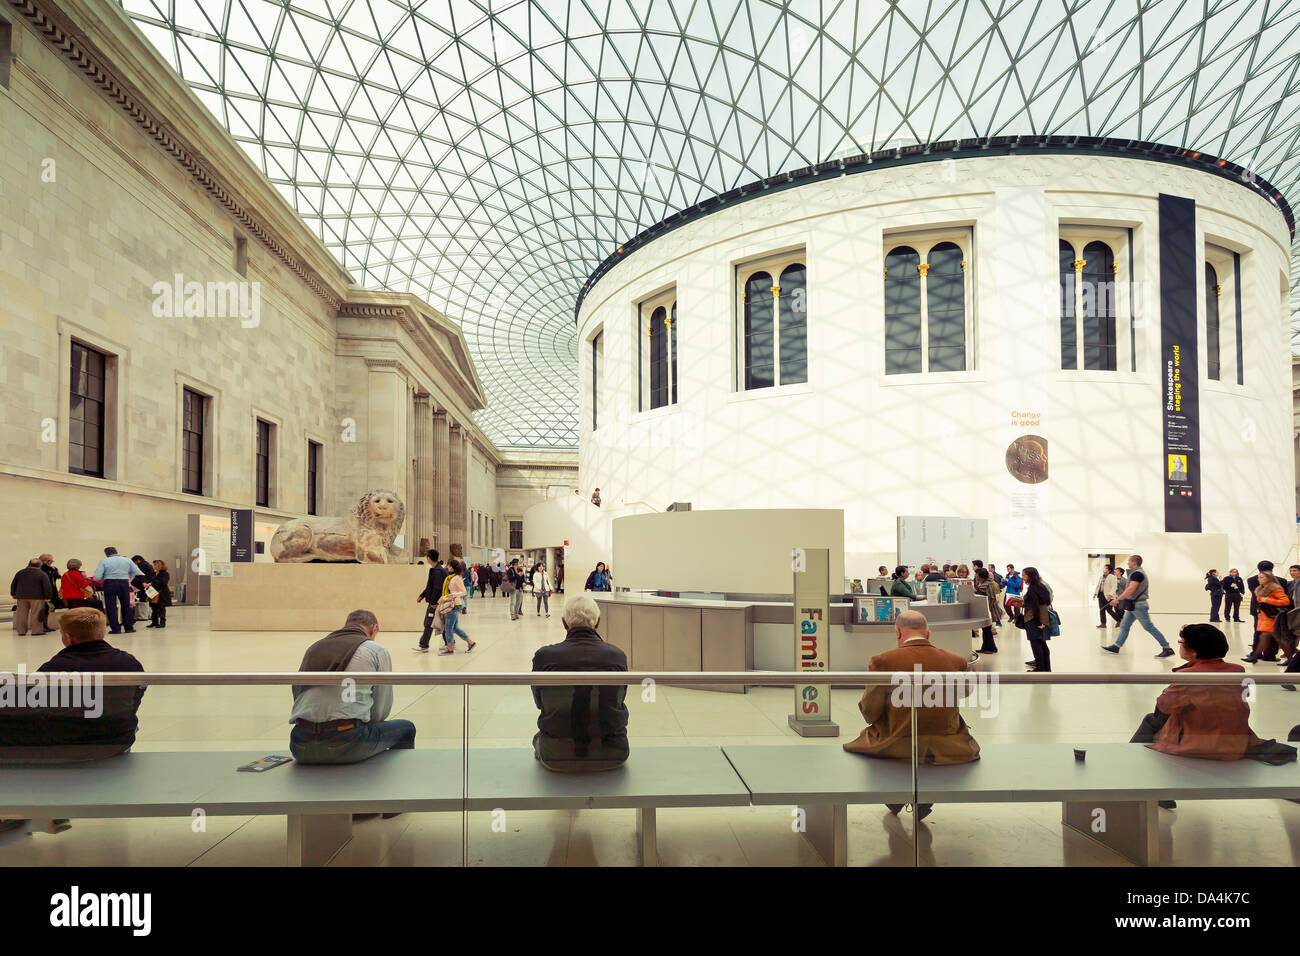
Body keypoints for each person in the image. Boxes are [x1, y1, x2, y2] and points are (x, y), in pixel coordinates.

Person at [843, 610, 979, 820]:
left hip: (897, 741)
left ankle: (896, 793)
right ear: (928, 634)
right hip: (948, 743)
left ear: (897, 632)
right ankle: (923, 797)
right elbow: (965, 693)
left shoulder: (882, 661)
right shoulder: (956, 661)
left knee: (872, 737)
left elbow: (871, 711)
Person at [0, 607, 146, 761]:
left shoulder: (52, 670)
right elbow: (135, 698)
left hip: (68, 741)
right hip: (116, 740)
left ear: (68, 638)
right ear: (101, 633)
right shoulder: (129, 664)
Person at [289, 609, 416, 764]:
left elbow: (297, 691)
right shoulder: (375, 651)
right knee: (407, 729)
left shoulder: (314, 648)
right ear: (373, 629)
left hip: (300, 744)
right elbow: (379, 712)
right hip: (348, 742)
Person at [1131, 624, 1261, 762]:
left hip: (1201, 746)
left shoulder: (1189, 676)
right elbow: (1246, 696)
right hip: (1235, 742)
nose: (1179, 645)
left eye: (1181, 642)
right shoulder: (1238, 670)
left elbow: (1164, 706)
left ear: (1193, 651)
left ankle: (1131, 757)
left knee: (1151, 719)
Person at [530, 594, 629, 772]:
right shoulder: (617, 656)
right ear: (597, 622)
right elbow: (618, 699)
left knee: (537, 739)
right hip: (614, 753)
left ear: (564, 623)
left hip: (556, 755)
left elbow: (540, 702)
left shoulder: (544, 657)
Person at [1102, 555, 1174, 658]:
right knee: (1124, 625)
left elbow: (1131, 589)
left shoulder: (1137, 574)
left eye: (1129, 561)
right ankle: (1116, 646)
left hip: (1139, 606)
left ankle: (1167, 648)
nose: (1127, 563)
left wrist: (1118, 599)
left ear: (1134, 563)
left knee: (1149, 627)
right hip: (1133, 606)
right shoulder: (1136, 573)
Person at [90, 547, 140, 635]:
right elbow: (136, 572)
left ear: (106, 554)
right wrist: (127, 577)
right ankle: (129, 627)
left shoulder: (104, 561)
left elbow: (97, 577)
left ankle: (116, 629)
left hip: (109, 584)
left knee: (111, 606)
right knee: (126, 605)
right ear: (116, 552)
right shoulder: (127, 560)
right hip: (124, 583)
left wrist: (104, 577)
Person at [1244, 571, 1290, 664]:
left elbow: (1285, 601)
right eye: (1259, 577)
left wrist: (1267, 600)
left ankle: (1254, 657)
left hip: (1273, 618)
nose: (1259, 579)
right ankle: (1290, 659)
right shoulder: (1261, 588)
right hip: (1265, 617)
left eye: (1262, 577)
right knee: (1273, 639)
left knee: (1267, 637)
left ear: (1269, 578)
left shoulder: (1275, 588)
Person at [414, 550, 451, 651]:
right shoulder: (437, 569)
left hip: (436, 603)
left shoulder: (437, 571)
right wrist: (422, 596)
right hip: (439, 602)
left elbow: (437, 589)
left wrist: (434, 603)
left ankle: (424, 645)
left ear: (429, 558)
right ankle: (449, 643)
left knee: (429, 622)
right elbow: (431, 587)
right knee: (442, 622)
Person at [436, 558, 475, 654]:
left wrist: (452, 595)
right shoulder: (452, 577)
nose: (447, 567)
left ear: (452, 567)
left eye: (449, 565)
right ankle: (470, 642)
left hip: (454, 604)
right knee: (454, 627)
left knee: (448, 627)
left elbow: (464, 592)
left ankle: (450, 648)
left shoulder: (457, 578)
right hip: (454, 603)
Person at [1020, 566, 1054, 672]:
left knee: (1036, 644)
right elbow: (1048, 601)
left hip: (1033, 619)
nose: (1022, 577)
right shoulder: (1041, 586)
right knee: (1042, 643)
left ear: (1030, 576)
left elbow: (1035, 606)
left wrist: (1038, 622)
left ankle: (1039, 669)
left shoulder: (1032, 588)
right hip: (1043, 618)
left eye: (1024, 575)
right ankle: (1046, 668)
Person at [9, 558, 53, 636]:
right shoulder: (41, 574)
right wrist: (47, 597)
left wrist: (13, 593)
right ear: (40, 565)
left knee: (21, 614)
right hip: (37, 597)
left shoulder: (20, 572)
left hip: (21, 597)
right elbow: (47, 586)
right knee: (36, 614)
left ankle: (21, 631)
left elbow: (13, 583)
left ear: (29, 564)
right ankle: (36, 631)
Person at [973, 567, 1000, 654]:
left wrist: (988, 610)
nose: (975, 576)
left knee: (987, 629)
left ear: (981, 576)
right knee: (985, 629)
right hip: (982, 609)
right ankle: (985, 648)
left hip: (988, 610)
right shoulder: (979, 583)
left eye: (976, 574)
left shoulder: (989, 584)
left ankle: (991, 648)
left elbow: (991, 598)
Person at [35, 553, 63, 631]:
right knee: (43, 609)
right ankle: (42, 626)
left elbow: (58, 576)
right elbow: (46, 576)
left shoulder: (52, 568)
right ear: (43, 561)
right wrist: (54, 572)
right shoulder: (40, 568)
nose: (51, 562)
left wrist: (55, 571)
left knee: (48, 609)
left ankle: (45, 625)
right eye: (49, 560)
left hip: (52, 590)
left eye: (51, 561)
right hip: (43, 592)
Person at [146, 559, 171, 628]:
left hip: (162, 593)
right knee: (153, 608)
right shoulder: (153, 574)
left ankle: (162, 623)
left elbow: (163, 583)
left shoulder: (165, 574)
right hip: (153, 593)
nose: (154, 566)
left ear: (160, 566)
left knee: (161, 608)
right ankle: (154, 622)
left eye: (155, 565)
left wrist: (152, 581)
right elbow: (149, 580)